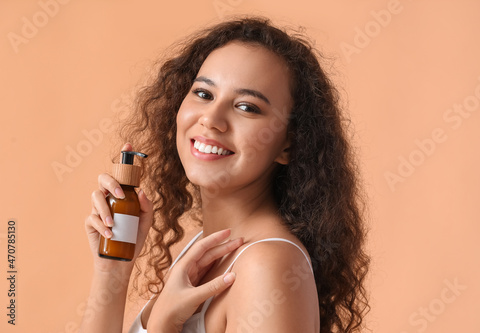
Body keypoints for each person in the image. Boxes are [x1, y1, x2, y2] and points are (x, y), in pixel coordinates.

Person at [80, 16, 370, 333]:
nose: (212, 119)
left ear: (288, 145)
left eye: (246, 107)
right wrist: (113, 270)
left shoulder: (266, 268)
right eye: (204, 94)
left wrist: (162, 326)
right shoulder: (200, 249)